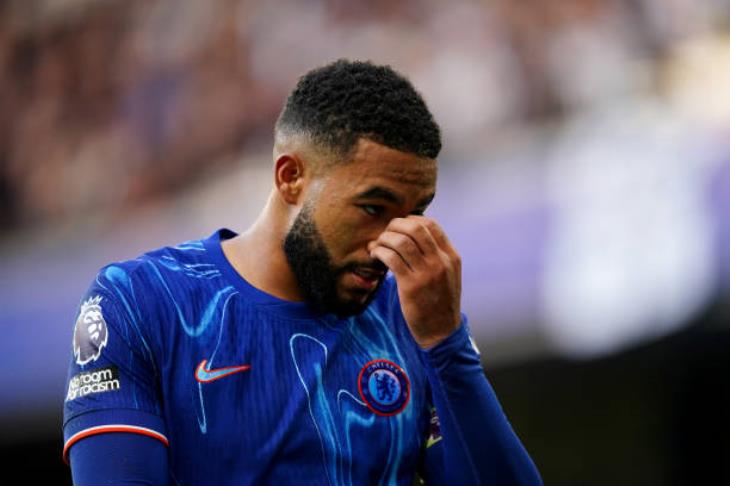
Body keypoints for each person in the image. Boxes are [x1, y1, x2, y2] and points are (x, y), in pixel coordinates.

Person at [62, 59, 542, 485]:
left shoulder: (412, 320)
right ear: (291, 177)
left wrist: (447, 345)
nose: (390, 244)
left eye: (414, 214)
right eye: (372, 208)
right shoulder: (139, 302)